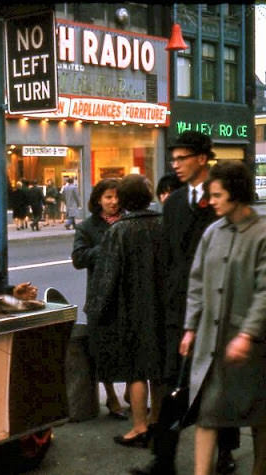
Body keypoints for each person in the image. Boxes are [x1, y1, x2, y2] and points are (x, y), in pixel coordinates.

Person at [131, 130, 239, 475]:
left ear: (202, 159)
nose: (175, 165)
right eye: (173, 159)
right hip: (181, 307)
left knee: (218, 384)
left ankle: (224, 452)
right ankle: (163, 460)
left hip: (219, 307)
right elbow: (169, 257)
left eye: (182, 158)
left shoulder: (223, 198)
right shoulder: (174, 203)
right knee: (174, 382)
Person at [179, 161, 266, 475]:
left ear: (237, 193)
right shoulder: (212, 232)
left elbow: (264, 291)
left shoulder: (261, 234)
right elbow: (197, 282)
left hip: (254, 348)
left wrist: (247, 334)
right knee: (208, 412)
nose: (211, 201)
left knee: (259, 415)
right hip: (212, 345)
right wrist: (190, 327)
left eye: (217, 195)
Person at [84, 174, 165, 449]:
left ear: (125, 201)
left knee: (136, 370)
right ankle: (157, 420)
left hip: (129, 309)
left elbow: (106, 277)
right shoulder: (162, 224)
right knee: (159, 368)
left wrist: (95, 310)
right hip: (161, 305)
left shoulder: (119, 231)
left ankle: (139, 427)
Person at [71, 178, 127, 420]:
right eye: (108, 198)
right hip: (100, 296)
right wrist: (106, 247)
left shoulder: (128, 221)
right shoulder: (87, 227)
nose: (114, 202)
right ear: (98, 200)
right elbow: (78, 258)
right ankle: (111, 396)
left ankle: (132, 393)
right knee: (102, 348)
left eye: (117, 197)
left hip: (127, 293)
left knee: (130, 345)